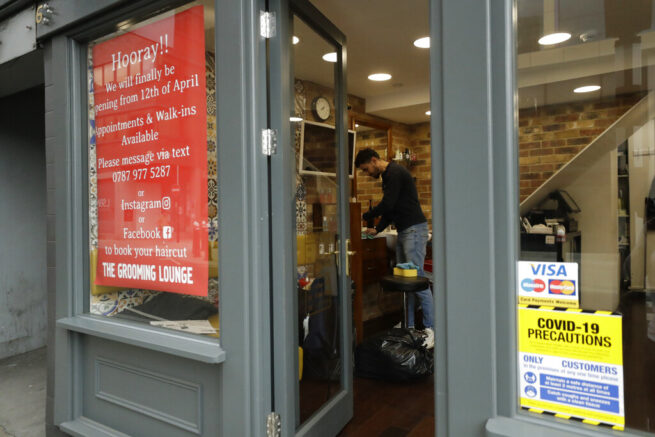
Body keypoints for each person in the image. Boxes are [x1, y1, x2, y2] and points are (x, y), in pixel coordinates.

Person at [355, 148, 434, 349]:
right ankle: (408, 325)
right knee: (404, 279)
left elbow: (388, 204)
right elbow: (392, 208)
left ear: (374, 160)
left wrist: (365, 215)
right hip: (405, 231)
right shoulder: (389, 176)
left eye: (366, 169)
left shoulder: (395, 173)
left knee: (417, 279)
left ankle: (430, 328)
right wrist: (377, 229)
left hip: (414, 231)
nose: (367, 173)